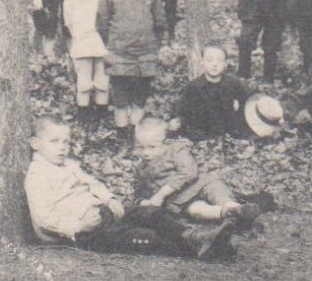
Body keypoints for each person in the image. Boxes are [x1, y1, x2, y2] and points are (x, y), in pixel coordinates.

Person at [23, 117, 234, 258]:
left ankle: (194, 236)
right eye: (54, 141)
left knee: (147, 212)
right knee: (141, 237)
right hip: (84, 234)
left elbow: (94, 183)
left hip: (102, 214)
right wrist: (79, 226)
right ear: (35, 143)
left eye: (66, 142)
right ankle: (203, 250)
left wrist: (109, 199)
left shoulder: (69, 164)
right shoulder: (37, 175)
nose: (62, 147)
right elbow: (43, 218)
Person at [132, 117, 256, 225]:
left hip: (199, 184)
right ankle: (228, 215)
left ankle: (236, 209)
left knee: (216, 191)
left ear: (166, 142)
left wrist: (161, 194)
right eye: (140, 147)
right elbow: (140, 191)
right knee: (196, 211)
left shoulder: (176, 151)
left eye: (152, 147)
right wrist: (144, 201)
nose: (146, 153)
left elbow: (188, 173)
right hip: (179, 200)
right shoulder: (141, 169)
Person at [96, 0, 166, 133]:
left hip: (145, 55)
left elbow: (160, 23)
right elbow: (102, 24)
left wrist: (153, 46)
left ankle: (136, 133)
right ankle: (121, 133)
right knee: (120, 98)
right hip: (119, 54)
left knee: (140, 97)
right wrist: (112, 46)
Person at [62, 0, 111, 110]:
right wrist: (77, 34)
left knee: (102, 80)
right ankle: (84, 115)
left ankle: (101, 113)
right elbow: (68, 17)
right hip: (83, 37)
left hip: (103, 39)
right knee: (84, 80)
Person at [173, 45, 254, 139]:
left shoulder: (233, 84)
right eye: (209, 60)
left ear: (226, 64)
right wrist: (178, 121)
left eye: (219, 60)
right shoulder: (194, 87)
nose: (214, 64)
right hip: (201, 134)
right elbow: (184, 112)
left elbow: (245, 107)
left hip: (230, 134)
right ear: (202, 62)